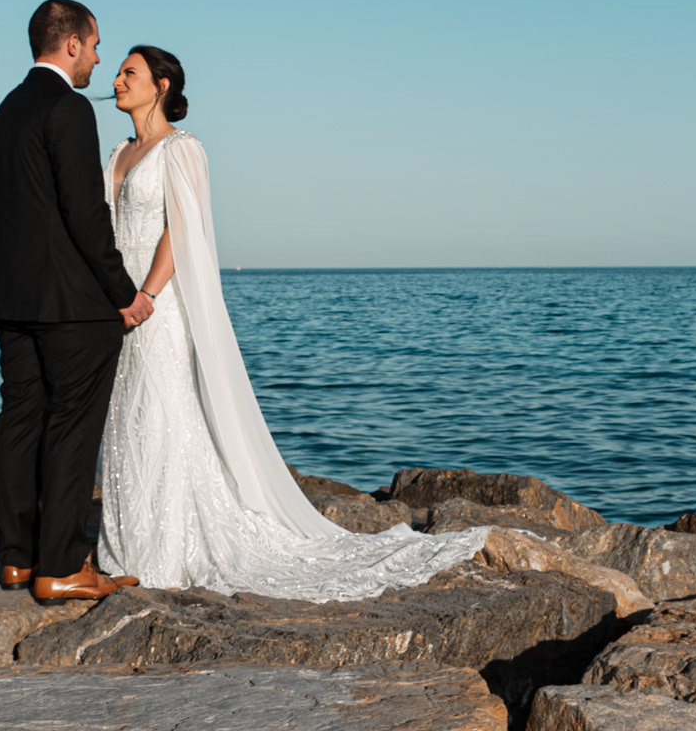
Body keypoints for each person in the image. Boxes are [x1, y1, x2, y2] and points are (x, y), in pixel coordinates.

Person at [97, 45, 492, 598]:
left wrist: (147, 294)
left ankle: (166, 546)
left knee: (162, 414)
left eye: (128, 72)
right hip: (112, 304)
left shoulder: (183, 150)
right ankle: (128, 544)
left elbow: (179, 231)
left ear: (161, 85)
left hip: (155, 304)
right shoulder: (117, 151)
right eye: (116, 71)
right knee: (125, 418)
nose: (115, 79)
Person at [0, 0, 155, 602]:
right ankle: (60, 565)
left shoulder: (1, 115)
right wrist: (123, 293)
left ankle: (16, 558)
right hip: (73, 305)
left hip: (12, 297)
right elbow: (85, 214)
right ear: (73, 43)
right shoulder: (70, 107)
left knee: (20, 420)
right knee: (71, 429)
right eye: (97, 43)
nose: (100, 57)